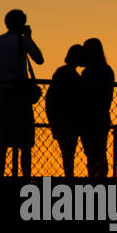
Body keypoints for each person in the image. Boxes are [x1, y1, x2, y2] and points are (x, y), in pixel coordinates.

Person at [0, 9, 44, 177]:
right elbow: (39, 59)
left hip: (4, 94)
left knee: (3, 141)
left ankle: (0, 176)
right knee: (25, 143)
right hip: (21, 96)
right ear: (22, 24)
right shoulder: (23, 41)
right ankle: (25, 177)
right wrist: (29, 37)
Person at [45, 45, 86, 177]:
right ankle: (70, 177)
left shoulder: (63, 72)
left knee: (67, 153)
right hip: (68, 119)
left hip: (63, 119)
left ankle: (69, 177)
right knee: (69, 152)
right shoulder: (70, 74)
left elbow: (50, 98)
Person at [79, 38, 115, 179]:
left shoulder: (89, 73)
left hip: (92, 116)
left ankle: (96, 178)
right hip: (99, 116)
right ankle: (99, 178)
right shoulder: (106, 70)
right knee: (98, 151)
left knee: (94, 152)